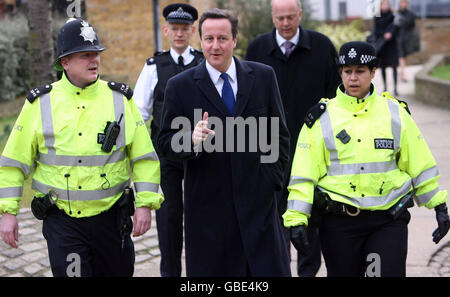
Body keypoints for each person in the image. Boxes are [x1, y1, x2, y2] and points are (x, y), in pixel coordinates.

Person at [0, 18, 164, 277]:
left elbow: (144, 157)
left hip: (112, 221)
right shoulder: (39, 104)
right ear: (65, 62)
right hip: (63, 223)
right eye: (86, 55)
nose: (94, 60)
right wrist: (8, 211)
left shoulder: (121, 99)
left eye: (96, 54)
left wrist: (145, 204)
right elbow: (13, 162)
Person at [283, 41, 449, 277]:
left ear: (373, 72)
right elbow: (303, 174)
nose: (353, 78)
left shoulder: (395, 113)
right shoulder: (320, 119)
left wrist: (438, 206)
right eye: (347, 71)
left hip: (387, 221)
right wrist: (297, 219)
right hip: (340, 225)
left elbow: (419, 164)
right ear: (340, 72)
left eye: (360, 71)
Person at [157, 8, 291, 277]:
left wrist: (271, 182)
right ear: (201, 40)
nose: (215, 46)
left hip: (259, 209)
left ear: (235, 40)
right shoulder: (180, 86)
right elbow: (165, 142)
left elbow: (278, 136)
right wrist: (191, 140)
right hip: (208, 214)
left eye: (222, 38)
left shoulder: (263, 77)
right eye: (208, 39)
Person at [245, 0, 341, 277]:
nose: (285, 24)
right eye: (280, 18)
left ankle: (307, 272)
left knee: (309, 218)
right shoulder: (257, 49)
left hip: (312, 148)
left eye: (290, 17)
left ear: (300, 15)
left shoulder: (322, 47)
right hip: (269, 149)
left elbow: (335, 97)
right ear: (272, 18)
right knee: (273, 219)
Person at [133, 3, 203, 278]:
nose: (179, 34)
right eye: (174, 29)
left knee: (201, 219)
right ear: (166, 30)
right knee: (169, 220)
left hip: (200, 152)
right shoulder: (154, 66)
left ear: (192, 31)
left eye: (184, 29)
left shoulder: (203, 62)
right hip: (167, 154)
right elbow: (140, 113)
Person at [373, 0, 399, 96]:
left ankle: (395, 88)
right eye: (383, 4)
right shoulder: (377, 17)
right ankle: (385, 87)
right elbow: (376, 31)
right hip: (382, 46)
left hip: (392, 45)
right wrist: (384, 34)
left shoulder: (393, 16)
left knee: (394, 67)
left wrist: (391, 34)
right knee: (383, 67)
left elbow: (397, 29)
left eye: (386, 4)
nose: (385, 6)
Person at [396, 0, 417, 82]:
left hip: (407, 38)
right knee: (401, 56)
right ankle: (403, 74)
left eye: (405, 3)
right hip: (398, 38)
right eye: (402, 3)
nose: (403, 4)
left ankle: (402, 71)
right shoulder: (397, 13)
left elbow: (412, 26)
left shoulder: (410, 14)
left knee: (404, 56)